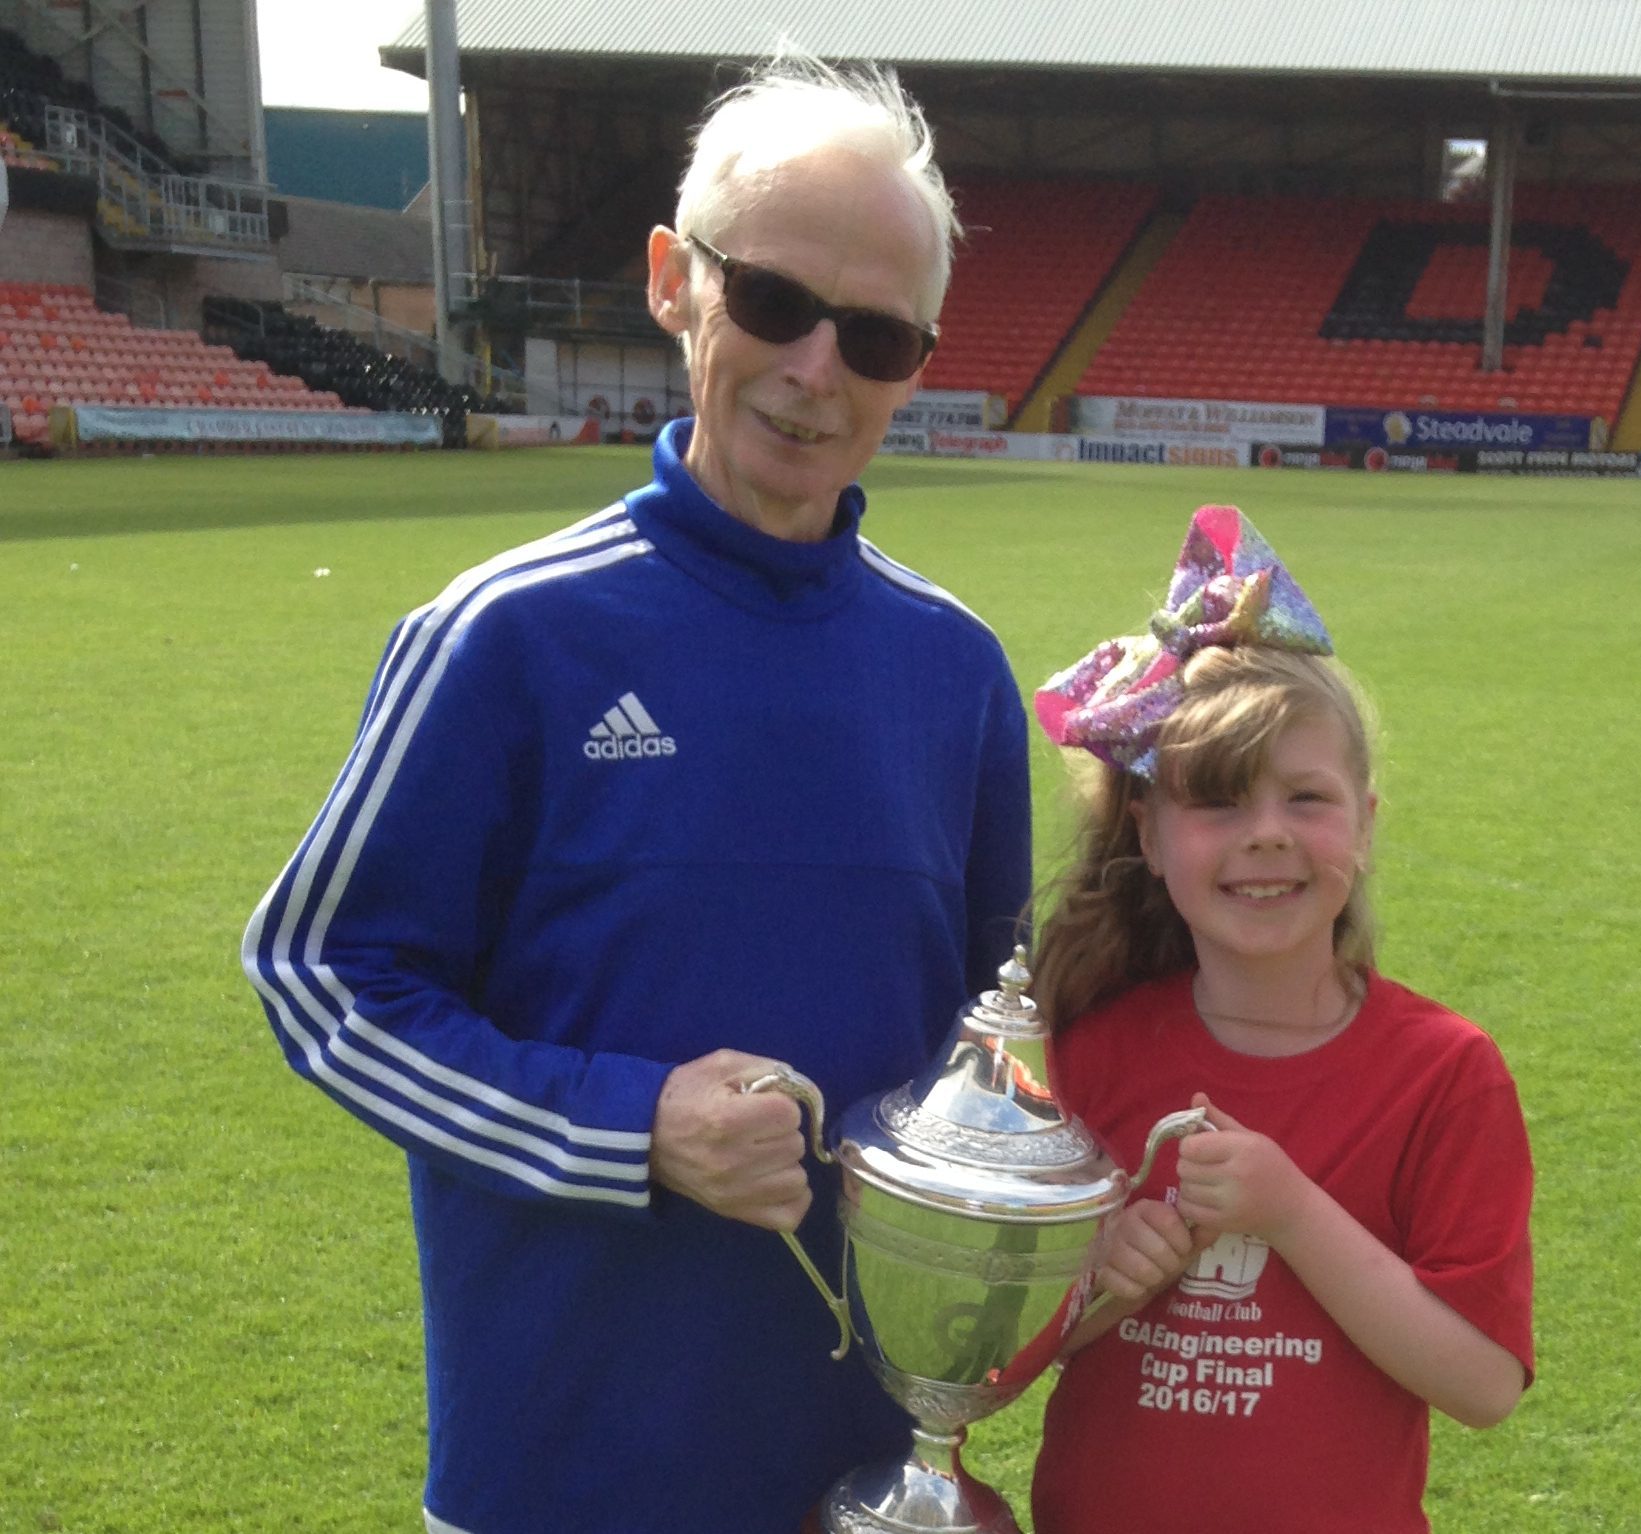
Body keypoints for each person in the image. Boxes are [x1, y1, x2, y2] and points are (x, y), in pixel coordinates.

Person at [238, 57, 1030, 1534]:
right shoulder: (505, 634)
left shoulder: (955, 668)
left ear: (918, 359)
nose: (814, 371)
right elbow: (319, 979)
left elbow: (998, 1047)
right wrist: (628, 1124)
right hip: (559, 1470)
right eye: (776, 303)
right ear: (674, 280)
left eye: (873, 336)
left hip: (857, 1478)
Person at [1025, 505, 1535, 1534]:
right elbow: (987, 1360)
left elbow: (1482, 1382)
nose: (1266, 837)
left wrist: (1290, 1210)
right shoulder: (1089, 1049)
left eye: (1305, 798)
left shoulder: (1442, 1071)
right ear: (1150, 837)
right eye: (1216, 803)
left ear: (1362, 822)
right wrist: (1101, 1283)